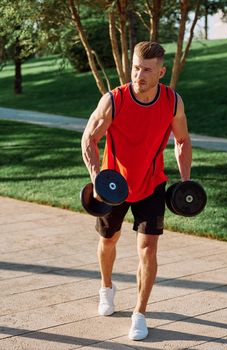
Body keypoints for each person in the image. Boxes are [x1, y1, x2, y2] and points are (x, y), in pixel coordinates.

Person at [81, 41, 192, 341]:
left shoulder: (172, 101)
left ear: (161, 72)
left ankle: (139, 313)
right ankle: (106, 287)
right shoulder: (114, 100)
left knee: (148, 249)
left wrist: (185, 181)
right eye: (135, 68)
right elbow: (89, 138)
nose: (138, 75)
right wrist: (96, 176)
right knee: (109, 239)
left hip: (152, 183)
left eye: (146, 70)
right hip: (114, 185)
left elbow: (181, 140)